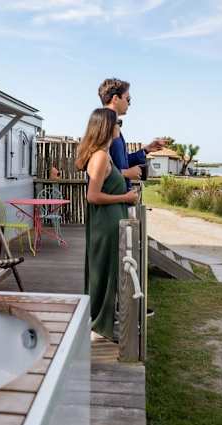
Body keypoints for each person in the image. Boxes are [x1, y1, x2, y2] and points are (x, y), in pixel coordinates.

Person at [76, 108, 139, 340]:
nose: (119, 128)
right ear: (107, 127)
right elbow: (92, 196)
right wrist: (125, 197)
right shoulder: (100, 157)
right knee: (104, 273)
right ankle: (99, 326)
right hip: (106, 225)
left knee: (107, 272)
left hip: (110, 222)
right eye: (117, 124)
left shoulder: (104, 154)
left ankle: (102, 321)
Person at [98, 78, 167, 189]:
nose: (129, 104)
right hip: (110, 196)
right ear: (115, 99)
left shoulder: (114, 126)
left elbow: (121, 163)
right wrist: (125, 173)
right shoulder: (102, 127)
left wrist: (146, 150)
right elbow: (96, 168)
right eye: (128, 99)